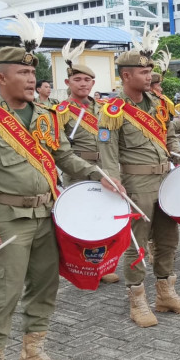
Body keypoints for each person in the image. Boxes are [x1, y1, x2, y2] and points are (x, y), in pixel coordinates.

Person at [0, 15, 121, 360]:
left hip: (48, 212)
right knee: (6, 291)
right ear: (1, 78)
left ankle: (32, 351)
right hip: (6, 216)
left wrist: (99, 175)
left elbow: (65, 157)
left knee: (45, 286)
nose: (31, 79)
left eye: (33, 73)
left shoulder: (47, 116)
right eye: (22, 73)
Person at [98, 29, 180, 327]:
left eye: (150, 70)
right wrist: (113, 178)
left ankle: (166, 294)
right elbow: (107, 149)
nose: (149, 75)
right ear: (127, 76)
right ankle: (137, 300)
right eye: (143, 71)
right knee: (136, 243)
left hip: (165, 180)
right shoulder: (113, 109)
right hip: (136, 184)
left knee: (168, 239)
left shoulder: (158, 104)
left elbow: (169, 137)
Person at [55, 41, 119, 285]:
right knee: (80, 219)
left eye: (87, 80)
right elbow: (57, 148)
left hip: (106, 169)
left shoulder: (104, 109)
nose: (83, 84)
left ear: (93, 83)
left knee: (102, 217)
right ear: (68, 83)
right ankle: (81, 266)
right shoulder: (60, 111)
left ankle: (103, 264)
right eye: (77, 80)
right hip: (78, 172)